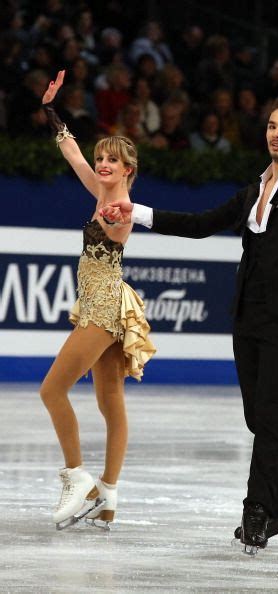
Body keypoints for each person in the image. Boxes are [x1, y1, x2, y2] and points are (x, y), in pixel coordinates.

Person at [102, 50, 278, 553]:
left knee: (268, 416)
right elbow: (201, 225)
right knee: (259, 419)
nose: (276, 133)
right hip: (246, 318)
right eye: (271, 125)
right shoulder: (252, 192)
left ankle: (257, 514)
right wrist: (139, 211)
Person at [39, 70, 156, 531]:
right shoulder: (100, 189)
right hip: (100, 301)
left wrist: (114, 214)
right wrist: (50, 110)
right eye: (101, 157)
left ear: (129, 169)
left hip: (104, 307)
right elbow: (71, 153)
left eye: (113, 160)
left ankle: (78, 478)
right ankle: (107, 498)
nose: (103, 164)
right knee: (110, 400)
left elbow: (118, 223)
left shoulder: (118, 205)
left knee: (52, 390)